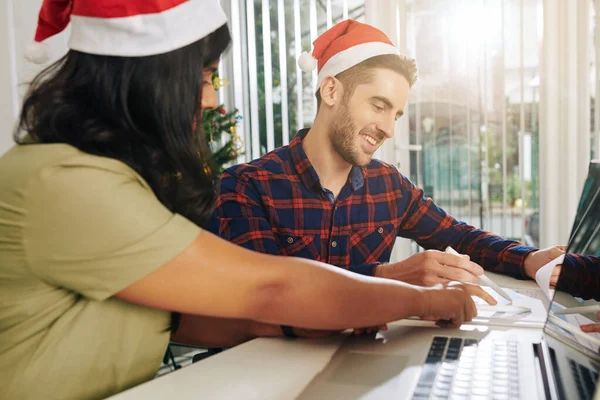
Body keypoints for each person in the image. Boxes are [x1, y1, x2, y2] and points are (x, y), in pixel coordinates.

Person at [0, 2, 496, 400]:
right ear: (148, 77)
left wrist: (335, 314)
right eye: (203, 77)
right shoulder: (66, 182)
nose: (213, 99)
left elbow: (186, 318)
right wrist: (424, 301)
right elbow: (271, 288)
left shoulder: (99, 176)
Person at [212, 18, 600, 316]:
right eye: (379, 105)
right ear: (330, 90)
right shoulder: (247, 186)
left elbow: (460, 238)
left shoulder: (389, 186)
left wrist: (528, 259)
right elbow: (270, 294)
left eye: (397, 113)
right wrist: (393, 279)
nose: (388, 129)